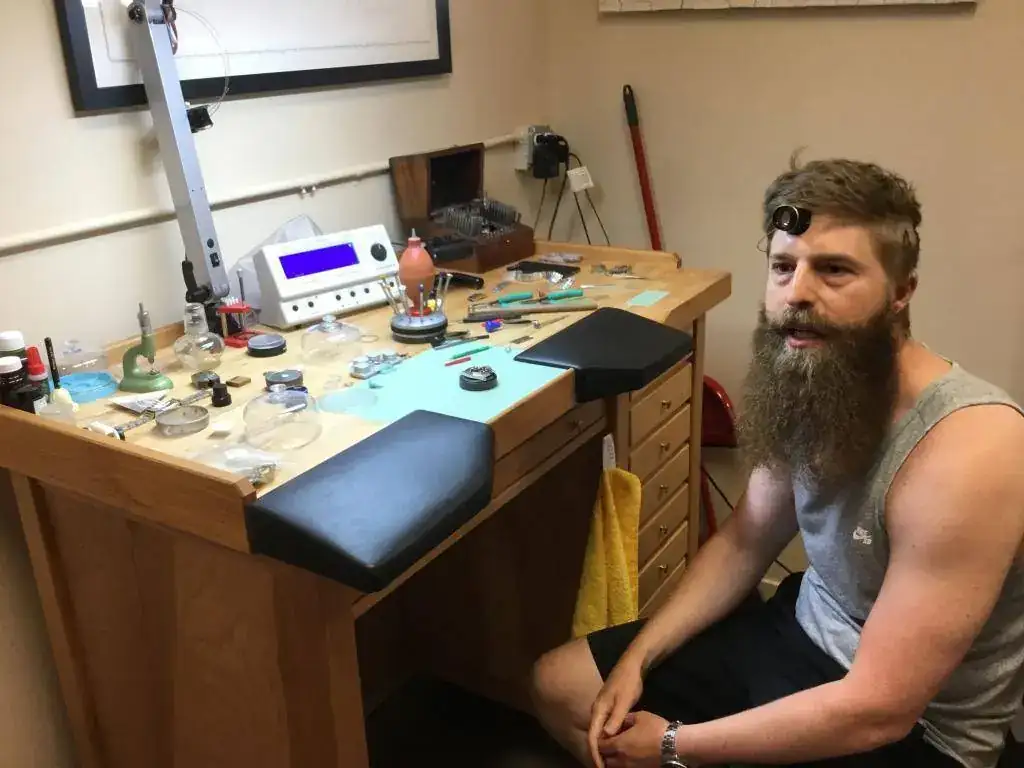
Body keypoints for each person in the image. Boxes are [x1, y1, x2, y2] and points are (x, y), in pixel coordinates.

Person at [530, 158, 1024, 768]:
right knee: (563, 686)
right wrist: (640, 656)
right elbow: (746, 539)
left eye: (835, 270)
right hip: (800, 633)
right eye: (784, 267)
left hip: (914, 730)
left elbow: (880, 708)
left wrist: (670, 745)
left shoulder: (973, 447)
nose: (797, 294)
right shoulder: (821, 379)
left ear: (901, 292)